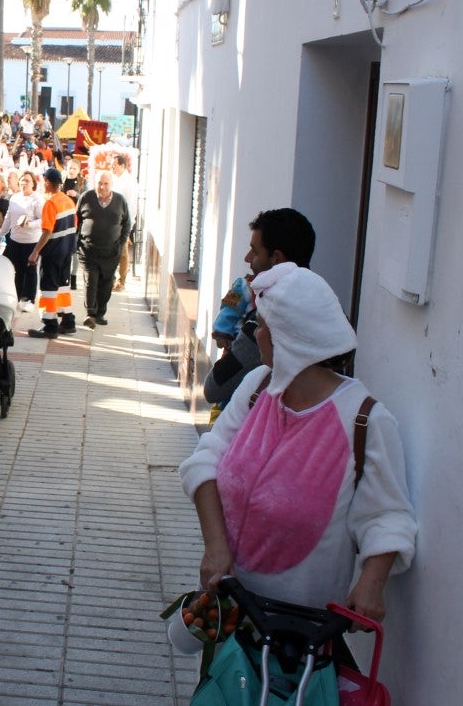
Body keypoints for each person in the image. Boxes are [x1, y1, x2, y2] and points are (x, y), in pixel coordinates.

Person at [179, 262, 416, 633]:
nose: (256, 335)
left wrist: (372, 584)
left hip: (299, 636)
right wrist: (215, 548)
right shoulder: (258, 386)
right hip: (228, 613)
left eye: (262, 327)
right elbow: (204, 462)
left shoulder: (365, 420)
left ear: (288, 338)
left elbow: (387, 517)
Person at [203, 208, 316, 407]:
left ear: (277, 259)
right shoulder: (325, 313)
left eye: (255, 251)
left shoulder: (267, 318)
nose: (247, 258)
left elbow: (214, 387)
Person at [26, 168, 78, 339]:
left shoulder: (51, 204)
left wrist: (35, 252)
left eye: (43, 181)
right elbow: (73, 226)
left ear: (48, 182)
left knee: (48, 288)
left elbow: (47, 231)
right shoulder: (68, 201)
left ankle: (50, 324)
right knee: (63, 287)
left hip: (53, 252)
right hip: (66, 251)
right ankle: (68, 321)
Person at [75, 170, 130, 329]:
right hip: (88, 250)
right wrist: (78, 242)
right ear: (95, 183)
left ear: (111, 185)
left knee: (106, 284)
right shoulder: (86, 197)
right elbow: (76, 220)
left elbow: (126, 223)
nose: (103, 187)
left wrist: (121, 243)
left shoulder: (120, 200)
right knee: (90, 281)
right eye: (100, 183)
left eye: (106, 184)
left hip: (111, 252)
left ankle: (100, 313)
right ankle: (90, 313)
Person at [0, 171, 43, 312]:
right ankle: (16, 296)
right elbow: (8, 217)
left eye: (27, 181)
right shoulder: (14, 198)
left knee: (30, 269)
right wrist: (1, 233)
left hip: (31, 240)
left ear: (33, 184)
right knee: (14, 269)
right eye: (22, 180)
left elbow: (43, 220)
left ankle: (30, 298)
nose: (24, 183)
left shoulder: (38, 200)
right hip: (15, 239)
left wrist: (30, 224)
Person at [109, 154, 137, 291]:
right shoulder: (112, 179)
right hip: (110, 222)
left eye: (114, 165)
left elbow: (132, 206)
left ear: (122, 165)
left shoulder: (130, 182)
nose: (112, 167)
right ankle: (111, 279)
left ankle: (122, 281)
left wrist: (128, 226)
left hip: (123, 222)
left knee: (123, 253)